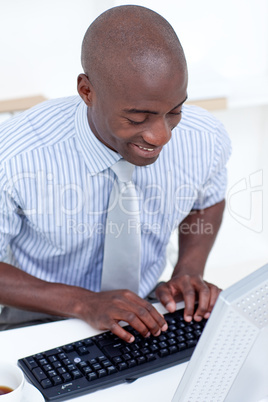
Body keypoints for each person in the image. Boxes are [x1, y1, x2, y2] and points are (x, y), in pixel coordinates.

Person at [0, 5, 231, 339]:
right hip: (35, 318)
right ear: (87, 91)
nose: (161, 136)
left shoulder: (204, 137)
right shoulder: (16, 154)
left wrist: (188, 270)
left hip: (144, 308)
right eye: (137, 118)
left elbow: (208, 200)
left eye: (175, 111)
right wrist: (83, 303)